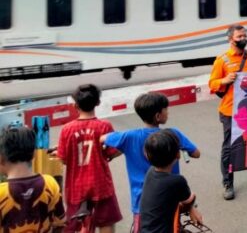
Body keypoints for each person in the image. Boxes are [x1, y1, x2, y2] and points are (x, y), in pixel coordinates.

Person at [101, 92, 200, 231]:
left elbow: (103, 138)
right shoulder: (173, 135)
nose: (168, 113)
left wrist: (117, 151)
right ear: (158, 116)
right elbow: (196, 153)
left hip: (141, 203)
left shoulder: (128, 137)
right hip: (170, 199)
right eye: (166, 110)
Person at [208, 24, 247, 201]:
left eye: (245, 35)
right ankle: (228, 182)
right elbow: (212, 84)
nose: (244, 38)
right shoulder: (222, 60)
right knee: (230, 147)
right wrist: (224, 79)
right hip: (231, 111)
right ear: (230, 39)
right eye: (239, 36)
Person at [57, 84, 122, 233]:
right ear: (98, 103)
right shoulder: (104, 126)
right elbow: (113, 151)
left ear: (75, 105)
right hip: (101, 185)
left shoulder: (67, 129)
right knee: (106, 223)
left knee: (78, 225)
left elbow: (63, 159)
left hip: (76, 188)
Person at [0, 126, 65, 232]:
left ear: (1, 158)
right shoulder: (50, 184)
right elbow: (61, 223)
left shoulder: (2, 193)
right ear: (34, 154)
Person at [139, 129, 203, 233]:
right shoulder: (177, 181)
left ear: (147, 156)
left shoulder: (150, 172)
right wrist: (191, 206)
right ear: (178, 155)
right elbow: (189, 200)